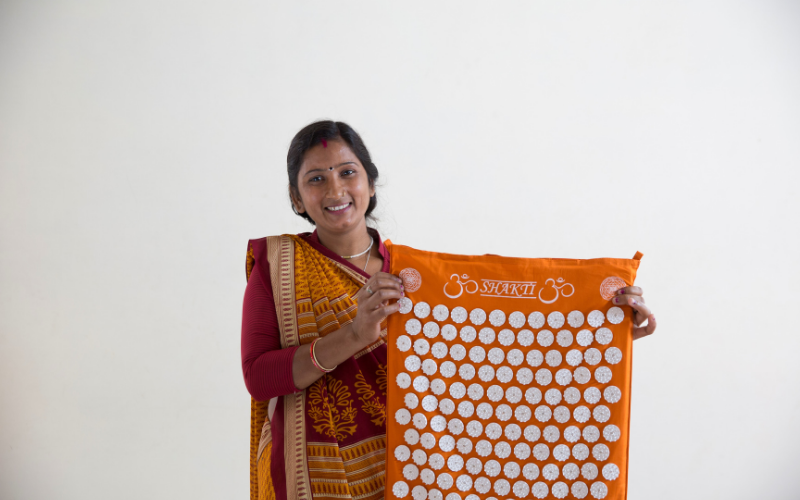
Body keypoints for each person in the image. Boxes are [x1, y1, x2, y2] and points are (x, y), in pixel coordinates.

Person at [241, 120, 657, 500]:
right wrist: (353, 336)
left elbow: (493, 359)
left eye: (347, 172)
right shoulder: (280, 268)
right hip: (313, 474)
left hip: (417, 466)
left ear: (370, 182)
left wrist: (603, 334)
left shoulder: (417, 277)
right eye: (316, 179)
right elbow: (259, 378)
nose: (335, 190)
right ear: (297, 197)